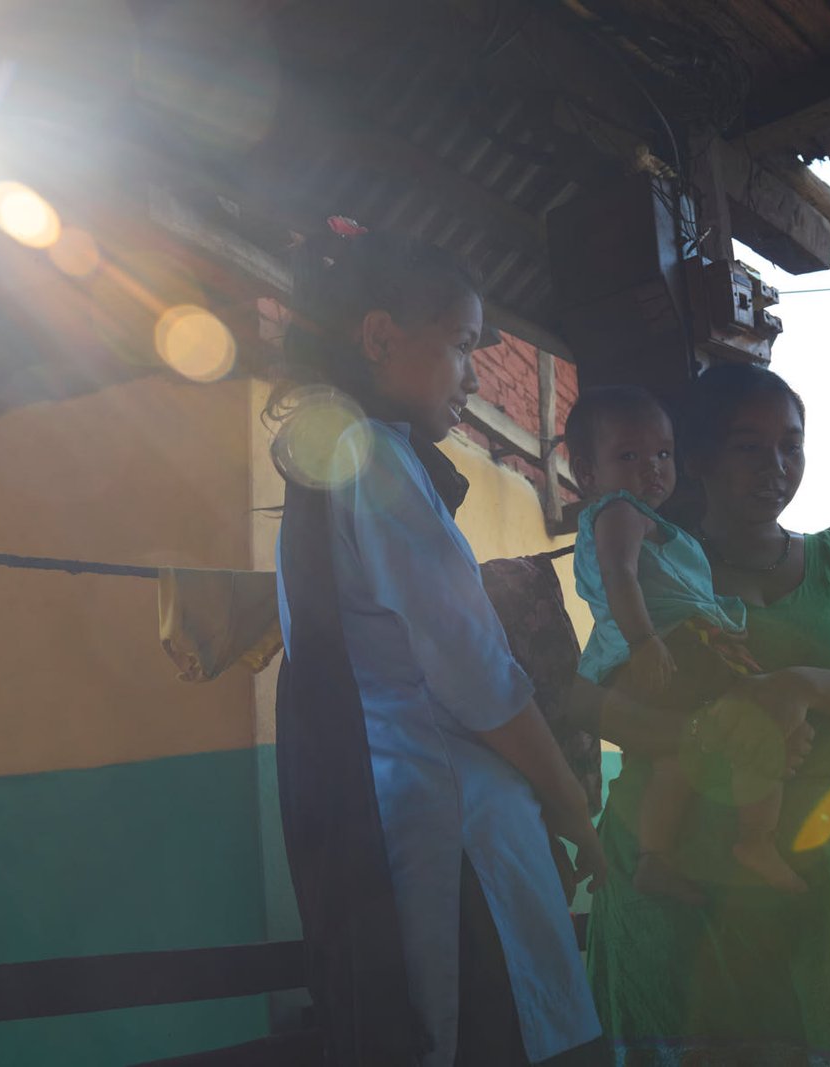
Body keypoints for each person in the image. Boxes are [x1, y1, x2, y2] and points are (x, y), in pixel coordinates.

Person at [269, 229, 607, 1067]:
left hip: (394, 819)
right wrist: (573, 806)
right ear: (380, 337)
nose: (472, 374)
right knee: (497, 1031)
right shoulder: (377, 462)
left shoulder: (329, 464)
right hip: (457, 830)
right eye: (461, 344)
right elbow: (478, 676)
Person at [584, 362, 830, 1066]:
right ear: (699, 459)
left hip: (821, 878)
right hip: (676, 881)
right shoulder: (656, 565)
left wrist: (799, 685)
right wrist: (705, 733)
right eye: (749, 447)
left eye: (790, 446)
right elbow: (591, 700)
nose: (776, 467)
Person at [564, 386, 812, 898]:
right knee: (764, 718)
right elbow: (618, 574)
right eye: (629, 456)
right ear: (587, 473)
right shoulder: (619, 512)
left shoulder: (646, 521)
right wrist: (644, 641)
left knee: (674, 757)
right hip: (669, 647)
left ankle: (655, 856)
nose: (652, 468)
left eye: (662, 453)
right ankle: (756, 840)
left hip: (657, 651)